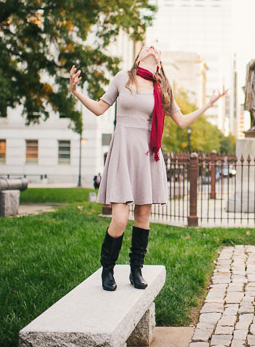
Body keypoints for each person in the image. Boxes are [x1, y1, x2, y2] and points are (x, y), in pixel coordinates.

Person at [69, 45, 227, 291]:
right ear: (139, 57)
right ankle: (107, 269)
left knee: (142, 217)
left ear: (159, 61)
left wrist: (209, 104)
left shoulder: (162, 88)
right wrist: (76, 92)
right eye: (147, 47)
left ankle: (136, 269)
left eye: (156, 48)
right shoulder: (123, 78)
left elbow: (182, 120)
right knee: (120, 219)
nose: (152, 48)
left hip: (147, 155)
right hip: (124, 152)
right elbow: (101, 108)